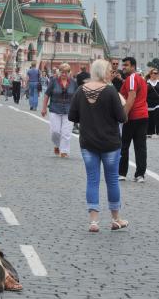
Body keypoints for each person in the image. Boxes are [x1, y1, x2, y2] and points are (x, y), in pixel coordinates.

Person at [68, 59, 128, 232]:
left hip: (88, 142)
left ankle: (93, 221)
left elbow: (72, 116)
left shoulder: (80, 90)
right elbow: (122, 118)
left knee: (92, 180)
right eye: (109, 70)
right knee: (112, 181)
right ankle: (116, 219)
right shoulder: (110, 91)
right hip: (110, 143)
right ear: (103, 72)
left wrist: (88, 117)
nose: (111, 73)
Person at [118, 57, 149, 183]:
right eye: (123, 65)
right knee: (140, 146)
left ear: (133, 66)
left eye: (126, 65)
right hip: (143, 116)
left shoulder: (132, 78)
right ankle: (140, 175)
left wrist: (124, 115)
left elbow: (131, 98)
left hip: (133, 116)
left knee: (124, 145)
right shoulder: (141, 79)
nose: (123, 67)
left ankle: (122, 173)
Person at [41, 63, 78, 157]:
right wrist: (44, 108)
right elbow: (46, 95)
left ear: (69, 73)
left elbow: (77, 97)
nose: (64, 74)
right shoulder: (53, 81)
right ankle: (57, 145)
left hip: (69, 110)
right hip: (55, 108)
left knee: (66, 132)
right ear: (59, 72)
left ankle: (64, 151)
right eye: (62, 72)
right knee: (55, 131)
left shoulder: (73, 83)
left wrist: (78, 110)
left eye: (66, 72)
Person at [146, 68, 159, 137]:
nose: (155, 74)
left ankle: (157, 132)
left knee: (157, 116)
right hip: (149, 103)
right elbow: (144, 93)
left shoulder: (158, 82)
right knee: (150, 118)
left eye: (156, 73)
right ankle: (150, 132)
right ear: (150, 74)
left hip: (157, 103)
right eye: (154, 73)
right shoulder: (147, 83)